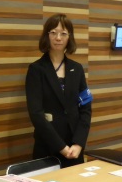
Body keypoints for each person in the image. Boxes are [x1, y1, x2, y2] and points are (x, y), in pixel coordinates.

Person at [25, 14, 92, 168]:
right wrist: (61, 147)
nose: (58, 38)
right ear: (47, 36)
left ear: (69, 37)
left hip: (74, 148)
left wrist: (79, 143)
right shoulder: (36, 70)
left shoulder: (77, 69)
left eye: (63, 33)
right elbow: (36, 114)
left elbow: (85, 109)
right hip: (48, 146)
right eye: (53, 33)